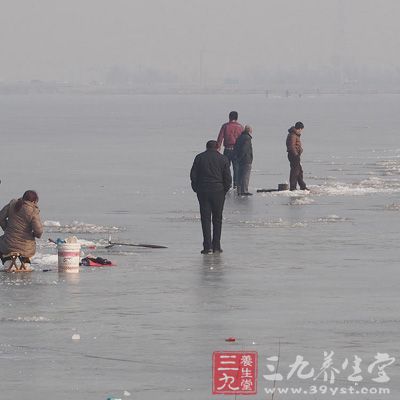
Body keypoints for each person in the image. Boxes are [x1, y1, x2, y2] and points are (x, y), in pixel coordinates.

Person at [190, 140, 232, 254]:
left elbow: (193, 175)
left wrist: (196, 188)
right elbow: (228, 178)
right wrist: (224, 190)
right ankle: (217, 246)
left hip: (203, 191)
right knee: (217, 219)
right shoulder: (223, 159)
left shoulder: (199, 158)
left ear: (206, 147)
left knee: (205, 219)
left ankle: (207, 246)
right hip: (218, 191)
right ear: (218, 147)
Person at [0, 190, 43, 270]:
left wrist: (6, 228)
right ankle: (26, 263)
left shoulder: (12, 204)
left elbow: (1, 217)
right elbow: (39, 231)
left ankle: (7, 261)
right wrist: (35, 235)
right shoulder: (33, 210)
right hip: (26, 245)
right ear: (34, 201)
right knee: (25, 249)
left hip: (8, 243)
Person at [216, 111, 244, 188]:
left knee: (226, 167)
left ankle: (227, 183)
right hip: (237, 150)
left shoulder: (225, 126)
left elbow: (220, 137)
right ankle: (236, 184)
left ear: (229, 117)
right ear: (237, 118)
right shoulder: (240, 127)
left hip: (227, 149)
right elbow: (243, 139)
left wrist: (218, 147)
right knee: (236, 168)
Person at [286, 121, 308, 191]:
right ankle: (293, 187)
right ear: (300, 128)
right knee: (295, 172)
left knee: (299, 171)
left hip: (295, 155)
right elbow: (291, 146)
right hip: (293, 155)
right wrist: (296, 155)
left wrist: (300, 150)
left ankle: (302, 186)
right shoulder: (293, 135)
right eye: (302, 129)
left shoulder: (295, 134)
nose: (302, 131)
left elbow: (296, 145)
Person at [234, 125, 253, 196]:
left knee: (240, 175)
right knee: (245, 175)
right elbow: (244, 149)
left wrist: (237, 157)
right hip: (246, 159)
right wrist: (241, 157)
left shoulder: (239, 137)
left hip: (239, 159)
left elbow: (235, 147)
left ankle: (239, 190)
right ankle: (244, 190)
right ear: (249, 131)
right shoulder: (247, 138)